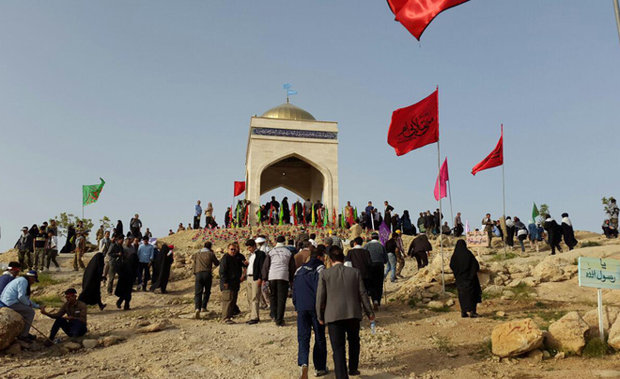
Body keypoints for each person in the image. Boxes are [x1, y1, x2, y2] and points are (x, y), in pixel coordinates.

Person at [316, 246, 375, 379]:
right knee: (354, 342)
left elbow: (320, 297)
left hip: (333, 316)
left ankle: (342, 376)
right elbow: (363, 293)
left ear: (330, 260)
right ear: (343, 258)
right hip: (353, 313)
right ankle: (353, 368)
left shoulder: (325, 274)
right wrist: (369, 312)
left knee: (338, 348)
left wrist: (320, 315)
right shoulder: (355, 272)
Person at [293, 247, 328, 378]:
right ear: (320, 256)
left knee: (303, 337)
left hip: (301, 307)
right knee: (319, 337)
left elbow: (294, 290)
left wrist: (296, 306)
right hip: (316, 307)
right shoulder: (320, 269)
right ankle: (320, 367)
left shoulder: (299, 270)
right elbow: (322, 289)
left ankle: (303, 364)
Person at [261, 236, 296, 326]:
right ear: (284, 242)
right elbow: (292, 267)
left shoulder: (271, 252)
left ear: (276, 242)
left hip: (272, 276)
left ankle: (273, 315)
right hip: (283, 276)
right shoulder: (288, 252)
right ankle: (279, 320)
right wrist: (291, 279)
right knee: (281, 299)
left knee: (273, 296)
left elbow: (266, 266)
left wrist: (264, 278)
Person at [0, 270, 41, 342]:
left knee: (26, 309)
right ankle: (24, 335)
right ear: (31, 278)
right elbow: (21, 297)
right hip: (9, 303)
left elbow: (25, 298)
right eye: (34, 280)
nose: (33, 282)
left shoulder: (21, 279)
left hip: (6, 301)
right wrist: (29, 305)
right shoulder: (24, 281)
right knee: (30, 312)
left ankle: (23, 332)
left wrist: (37, 306)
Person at [450, 240, 482, 318]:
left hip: (460, 280)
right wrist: (471, 275)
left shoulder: (455, 256)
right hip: (470, 279)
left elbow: (452, 265)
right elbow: (475, 265)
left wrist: (457, 274)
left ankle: (463, 312)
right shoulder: (468, 254)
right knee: (472, 295)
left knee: (462, 295)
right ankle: (472, 312)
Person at [220, 243, 245, 324]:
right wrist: (225, 282)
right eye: (231, 249)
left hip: (235, 283)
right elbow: (222, 271)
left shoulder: (236, 257)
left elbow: (244, 265)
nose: (233, 251)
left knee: (232, 300)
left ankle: (229, 316)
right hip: (228, 283)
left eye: (234, 249)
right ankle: (225, 318)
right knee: (227, 300)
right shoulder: (226, 258)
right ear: (228, 250)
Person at [193, 242, 220, 319]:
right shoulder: (210, 254)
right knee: (207, 291)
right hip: (207, 274)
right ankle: (203, 307)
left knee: (198, 292)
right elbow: (217, 263)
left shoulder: (197, 254)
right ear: (210, 247)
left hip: (198, 274)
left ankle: (197, 308)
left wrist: (195, 273)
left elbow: (194, 264)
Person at [364, 232, 387, 310]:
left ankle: (374, 300)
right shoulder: (381, 246)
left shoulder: (367, 245)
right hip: (380, 265)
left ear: (371, 238)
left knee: (372, 283)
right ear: (378, 238)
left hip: (370, 266)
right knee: (379, 283)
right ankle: (378, 300)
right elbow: (386, 259)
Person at [244, 239, 265, 324]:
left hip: (256, 278)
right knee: (249, 297)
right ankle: (252, 314)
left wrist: (260, 278)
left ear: (254, 246)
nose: (249, 249)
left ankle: (255, 317)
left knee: (255, 297)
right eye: (248, 248)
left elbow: (262, 267)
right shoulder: (251, 255)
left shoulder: (260, 254)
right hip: (249, 278)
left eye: (250, 247)